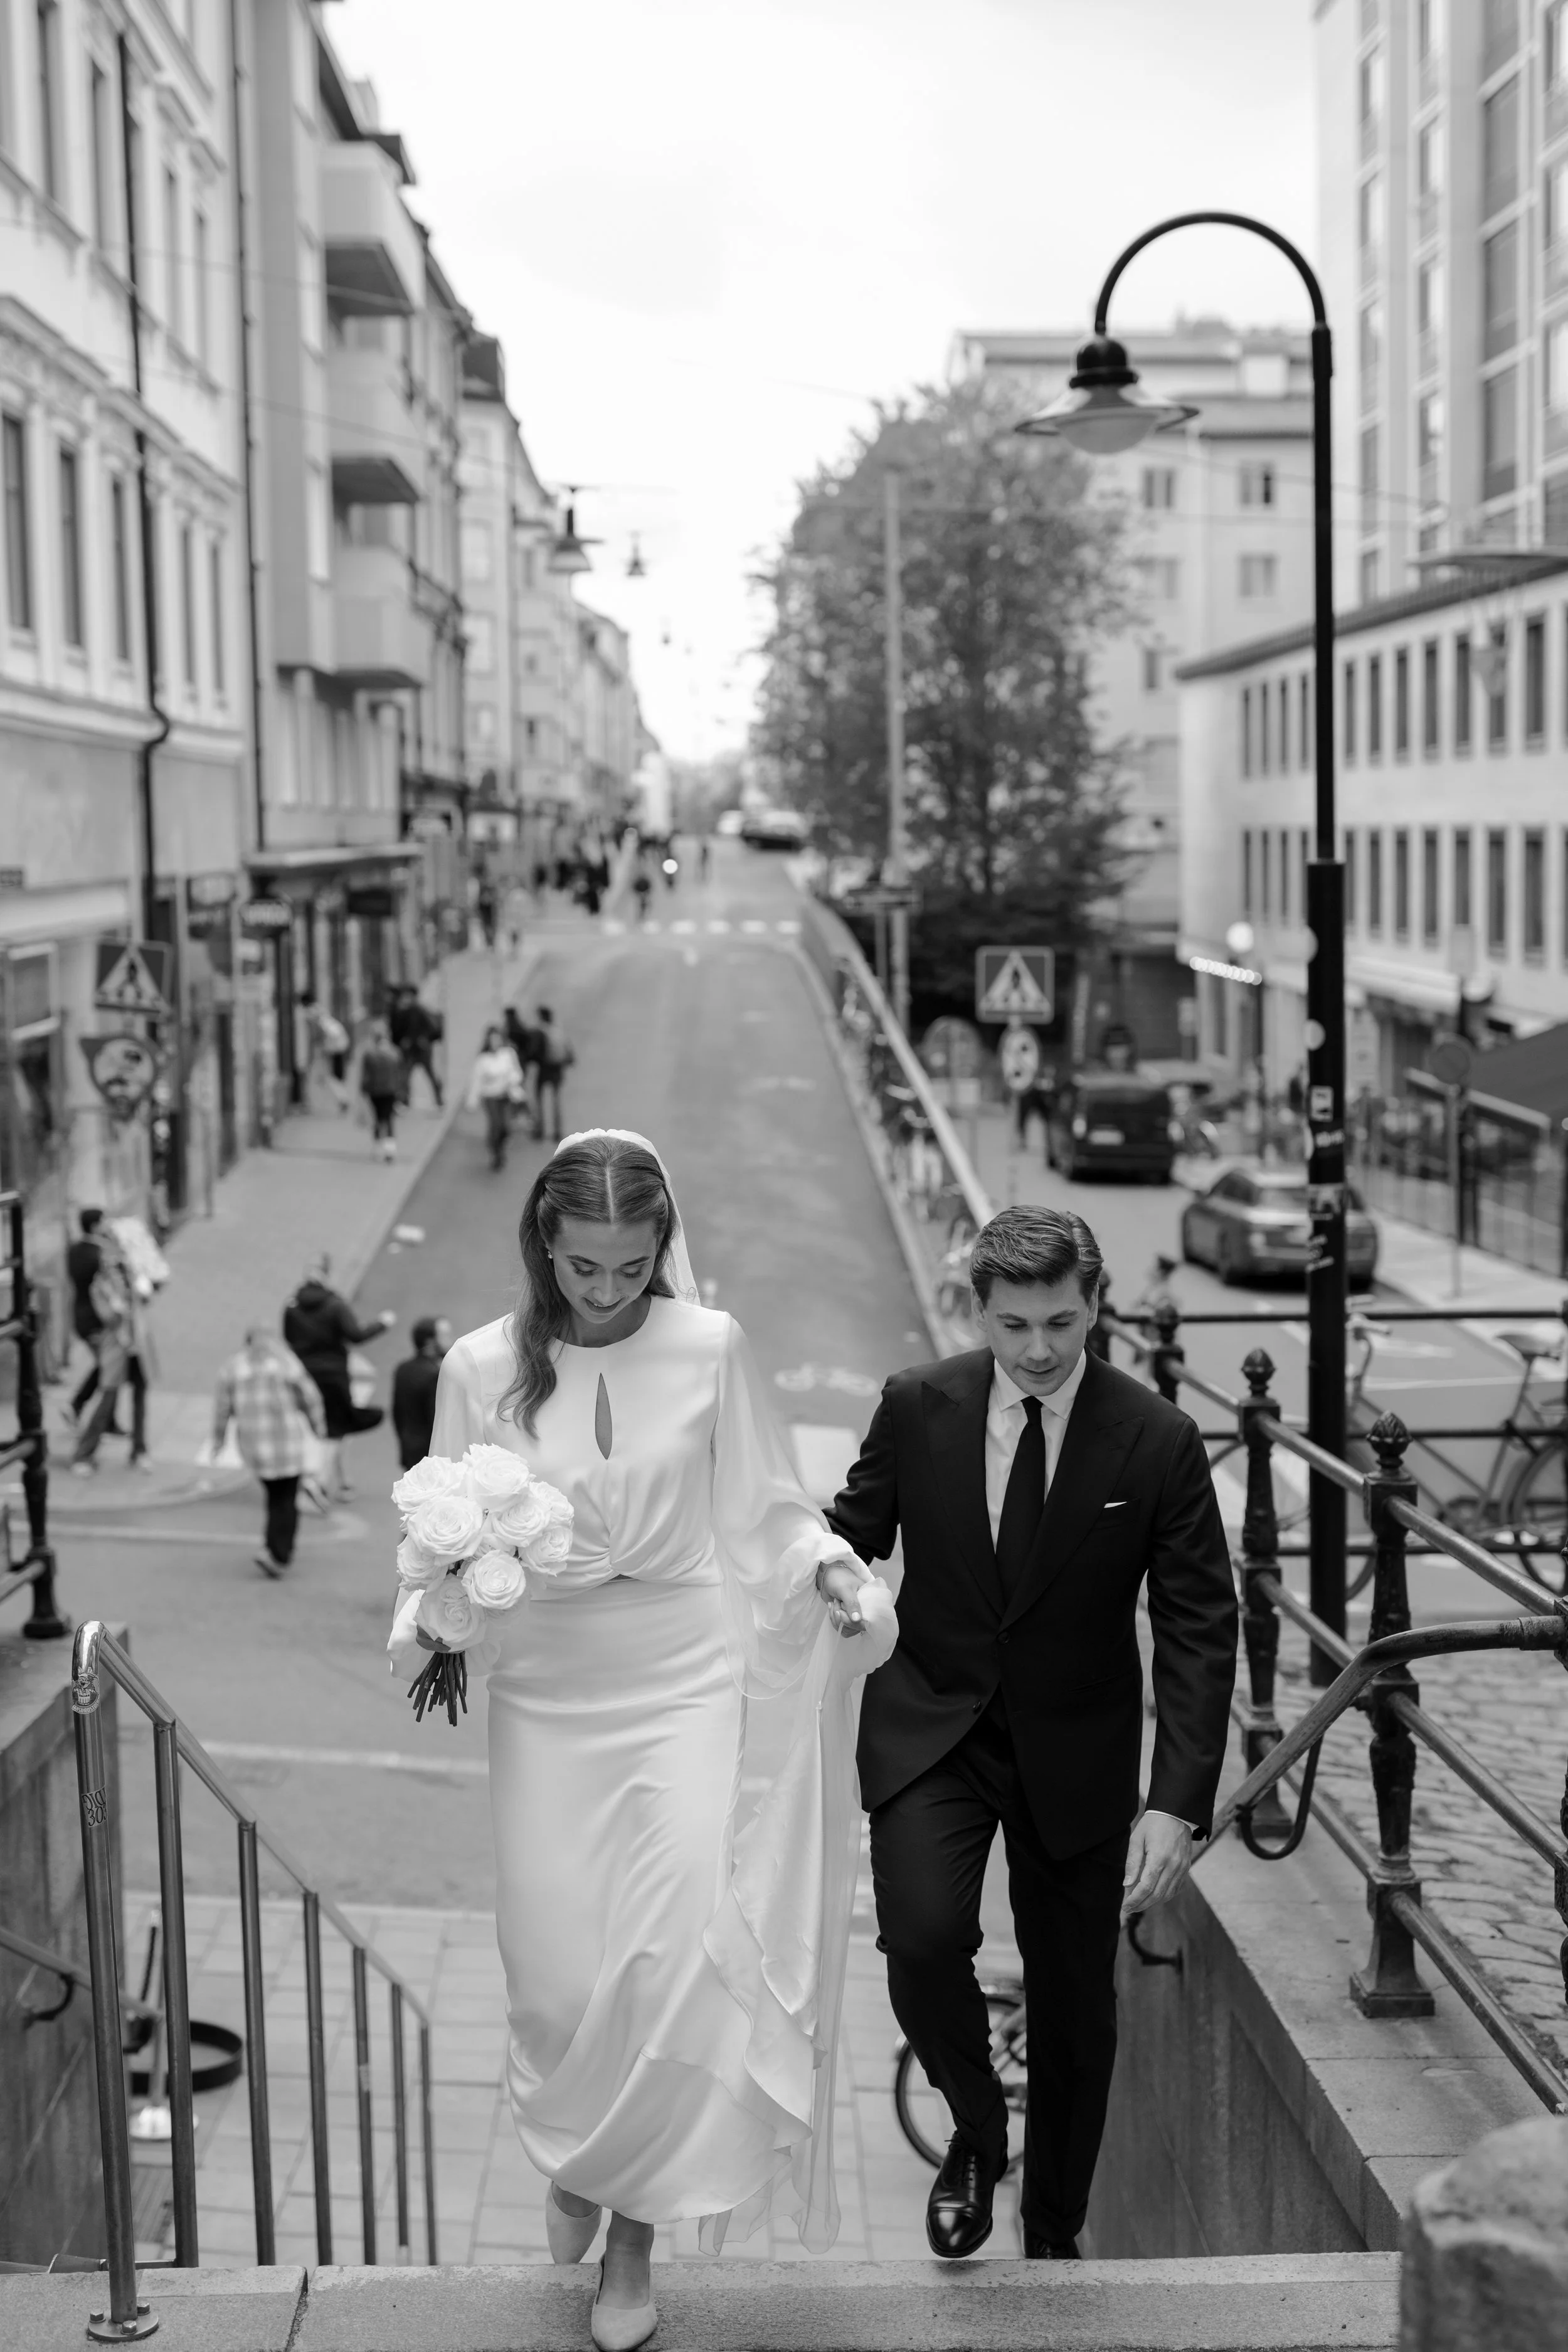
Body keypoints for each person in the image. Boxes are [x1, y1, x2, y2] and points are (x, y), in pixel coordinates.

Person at [390, 1131, 894, 2350]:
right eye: (580, 1269)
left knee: (668, 1961)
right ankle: (576, 2150)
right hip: (549, 1686)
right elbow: (440, 1533)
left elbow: (766, 1511)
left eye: (628, 1267)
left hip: (681, 1677)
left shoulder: (710, 1349)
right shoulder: (476, 1367)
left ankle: (630, 2241)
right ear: (540, 1249)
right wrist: (443, 1617)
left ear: (660, 1251)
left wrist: (823, 1566)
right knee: (559, 1977)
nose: (606, 1292)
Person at [826, 1204, 1236, 2263]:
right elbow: (846, 1537)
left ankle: (1053, 2234)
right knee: (918, 1945)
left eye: (1063, 1321)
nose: (1042, 1349)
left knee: (1076, 2019)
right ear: (982, 1311)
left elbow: (1199, 1625)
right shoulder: (918, 1406)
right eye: (1016, 1326)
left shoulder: (1158, 1440)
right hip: (935, 1732)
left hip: (1080, 1753)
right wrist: (807, 1573)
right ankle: (974, 2125)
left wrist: (1176, 1801)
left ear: (1097, 1306)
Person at [211, 1330, 327, 1579]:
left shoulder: (233, 1367)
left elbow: (222, 1407)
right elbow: (311, 1396)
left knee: (275, 1497)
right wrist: (318, 1426)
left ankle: (272, 1547)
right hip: (287, 1444)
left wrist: (218, 1440)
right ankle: (278, 1553)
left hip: (255, 1447)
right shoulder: (286, 1363)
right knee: (286, 1499)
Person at [283, 1254, 395, 1499]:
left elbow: (289, 1339)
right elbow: (356, 1334)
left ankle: (343, 1482)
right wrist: (382, 1324)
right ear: (326, 1275)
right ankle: (320, 1481)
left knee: (325, 1426)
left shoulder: (292, 1307)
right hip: (334, 1376)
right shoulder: (335, 1305)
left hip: (306, 1375)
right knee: (337, 1427)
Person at [70, 1231, 151, 1475]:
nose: (114, 1261)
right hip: (117, 1347)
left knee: (140, 1396)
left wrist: (139, 1289)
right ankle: (83, 1455)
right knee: (107, 1400)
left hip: (136, 1345)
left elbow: (146, 1297)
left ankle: (140, 1450)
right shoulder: (101, 1285)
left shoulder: (130, 1276)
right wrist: (120, 1307)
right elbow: (110, 1317)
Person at [65, 1207, 111, 1428]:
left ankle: (107, 1419)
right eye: (103, 1222)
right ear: (95, 1226)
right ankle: (77, 1405)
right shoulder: (99, 1254)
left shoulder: (74, 1250)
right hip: (96, 1319)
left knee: (109, 1367)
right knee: (109, 1366)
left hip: (80, 1315)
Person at [390, 1316, 452, 1470]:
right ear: (430, 1342)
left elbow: (397, 1414)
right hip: (431, 1457)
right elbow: (437, 1421)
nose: (451, 1340)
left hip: (409, 1450)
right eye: (445, 1336)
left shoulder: (403, 1369)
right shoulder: (435, 1374)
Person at [467, 1025, 527, 1172]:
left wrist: (512, 1080)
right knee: (496, 1125)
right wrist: (472, 1100)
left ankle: (500, 1147)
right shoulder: (483, 1059)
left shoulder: (508, 1054)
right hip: (490, 1098)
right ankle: (496, 1153)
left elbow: (517, 1072)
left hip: (505, 1096)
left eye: (497, 1039)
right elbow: (477, 1081)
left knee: (506, 1128)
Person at [360, 1020, 405, 1160]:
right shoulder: (394, 1052)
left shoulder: (369, 1054)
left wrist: (363, 1090)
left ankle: (377, 1147)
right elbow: (400, 1073)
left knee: (378, 1118)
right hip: (390, 1091)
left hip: (375, 1091)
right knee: (389, 1118)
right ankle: (390, 1149)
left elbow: (366, 1076)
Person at [396, 989, 445, 1110]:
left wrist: (423, 1039)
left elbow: (432, 1028)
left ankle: (439, 1100)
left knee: (430, 1075)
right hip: (411, 1051)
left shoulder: (420, 1011)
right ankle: (404, 1101)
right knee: (405, 1077)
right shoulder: (404, 1012)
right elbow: (399, 1031)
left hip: (422, 1050)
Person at [532, 1005, 574, 1144]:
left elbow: (534, 1051)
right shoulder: (558, 1031)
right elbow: (568, 1050)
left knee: (539, 1099)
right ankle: (557, 1131)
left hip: (544, 1069)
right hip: (557, 1069)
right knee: (556, 1101)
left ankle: (540, 1129)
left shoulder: (540, 1031)